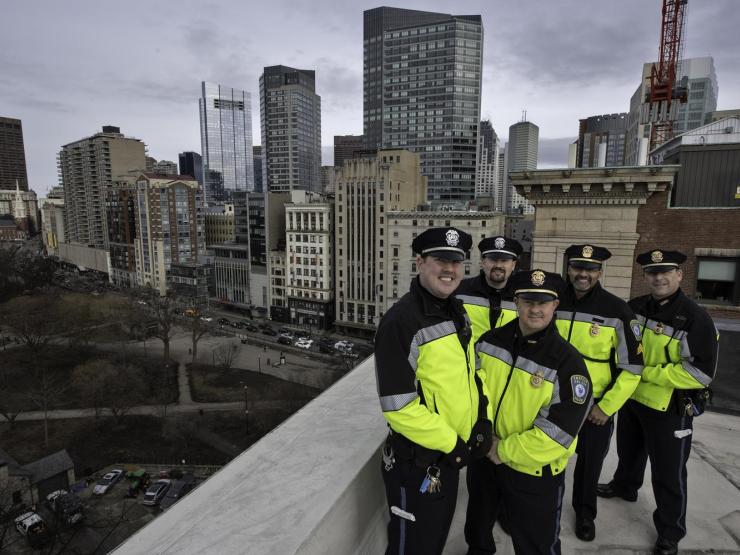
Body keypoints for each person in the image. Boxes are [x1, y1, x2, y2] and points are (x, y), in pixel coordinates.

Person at [375, 227, 493, 555]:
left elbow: (471, 375)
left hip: (447, 459)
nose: (450, 269)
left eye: (456, 262)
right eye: (440, 260)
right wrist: (453, 443)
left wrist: (481, 419)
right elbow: (398, 407)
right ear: (420, 262)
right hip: (417, 463)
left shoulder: (455, 310)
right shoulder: (401, 321)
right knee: (412, 547)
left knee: (434, 541)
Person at [597, 249, 718, 555]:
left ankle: (670, 532)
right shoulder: (635, 307)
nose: (659, 278)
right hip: (634, 401)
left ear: (680, 275)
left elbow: (700, 373)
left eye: (666, 272)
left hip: (670, 409)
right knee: (629, 452)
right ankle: (625, 487)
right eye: (653, 273)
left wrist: (646, 373)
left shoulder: (695, 318)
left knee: (669, 473)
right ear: (646, 276)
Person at [465, 270, 592, 555]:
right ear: (516, 302)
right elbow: (470, 392)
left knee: (536, 544)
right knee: (477, 530)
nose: (535, 309)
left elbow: (558, 434)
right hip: (486, 461)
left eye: (543, 302)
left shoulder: (568, 363)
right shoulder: (488, 341)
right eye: (528, 301)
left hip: (533, 471)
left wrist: (502, 450)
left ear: (555, 305)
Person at [555, 244, 644, 542]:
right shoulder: (552, 300)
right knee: (542, 458)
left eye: (591, 269)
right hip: (550, 401)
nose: (583, 274)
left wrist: (607, 408)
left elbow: (633, 368)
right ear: (569, 269)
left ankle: (584, 513)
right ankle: (534, 507)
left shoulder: (618, 310)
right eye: (578, 267)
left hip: (594, 407)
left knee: (589, 464)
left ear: (600, 272)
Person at [456, 235, 523, 344]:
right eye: (493, 259)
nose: (498, 265)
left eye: (504, 260)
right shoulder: (460, 291)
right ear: (483, 262)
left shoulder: (523, 297)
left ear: (513, 265)